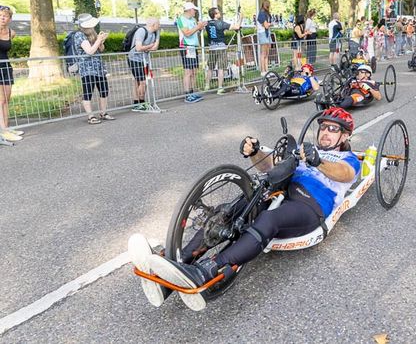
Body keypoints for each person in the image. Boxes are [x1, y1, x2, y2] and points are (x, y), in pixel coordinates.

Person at [128, 107, 360, 308]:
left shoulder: (348, 159)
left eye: (333, 129)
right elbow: (271, 167)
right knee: (229, 210)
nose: (326, 133)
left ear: (344, 136)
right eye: (324, 127)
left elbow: (345, 174)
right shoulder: (302, 148)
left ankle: (207, 271)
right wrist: (255, 152)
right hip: (281, 191)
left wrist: (318, 160)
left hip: (309, 205)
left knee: (269, 221)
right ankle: (176, 263)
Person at [72, 14, 114, 124]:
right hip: (87, 69)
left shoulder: (93, 33)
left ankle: (103, 113)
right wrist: (98, 39)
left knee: (104, 90)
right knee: (88, 92)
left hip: (99, 68)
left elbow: (100, 49)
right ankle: (90, 116)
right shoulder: (79, 35)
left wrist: (101, 40)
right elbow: (89, 51)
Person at [205, 7, 242, 95]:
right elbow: (236, 27)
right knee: (221, 68)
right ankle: (220, 88)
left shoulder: (207, 24)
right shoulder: (221, 23)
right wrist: (241, 18)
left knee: (210, 67)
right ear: (215, 14)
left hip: (212, 48)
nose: (220, 13)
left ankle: (207, 86)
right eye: (218, 12)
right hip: (221, 48)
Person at [0, 5, 23, 142]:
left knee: (7, 99)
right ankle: (2, 131)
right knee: (0, 100)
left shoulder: (11, 33)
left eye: (5, 16)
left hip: (6, 67)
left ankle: (6, 127)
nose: (2, 18)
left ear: (9, 19)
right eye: (0, 15)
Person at [176, 2, 207, 103]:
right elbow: (187, 33)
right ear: (189, 10)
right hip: (186, 47)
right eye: (194, 10)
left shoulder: (193, 19)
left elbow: (195, 32)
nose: (195, 12)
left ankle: (192, 91)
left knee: (194, 71)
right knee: (188, 72)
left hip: (193, 47)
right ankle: (187, 94)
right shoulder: (181, 19)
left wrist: (201, 28)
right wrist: (198, 27)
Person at [128, 18, 160, 112]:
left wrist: (157, 37)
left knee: (142, 82)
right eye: (158, 24)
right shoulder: (141, 31)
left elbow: (155, 48)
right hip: (135, 58)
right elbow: (138, 48)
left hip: (144, 60)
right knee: (141, 82)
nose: (159, 26)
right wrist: (149, 46)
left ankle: (140, 101)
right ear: (153, 24)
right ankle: (138, 103)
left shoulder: (155, 33)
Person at [252, 63, 319, 103]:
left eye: (305, 67)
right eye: (303, 67)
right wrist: (288, 72)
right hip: (289, 85)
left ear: (310, 71)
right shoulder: (298, 75)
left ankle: (272, 96)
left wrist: (310, 77)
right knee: (283, 84)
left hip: (298, 89)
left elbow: (316, 88)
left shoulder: (312, 78)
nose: (303, 68)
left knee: (286, 85)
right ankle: (260, 96)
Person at [256, 0, 272, 76]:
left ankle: (267, 71)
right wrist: (270, 24)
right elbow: (266, 25)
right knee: (263, 53)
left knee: (267, 54)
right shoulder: (262, 13)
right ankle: (262, 71)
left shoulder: (266, 13)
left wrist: (269, 24)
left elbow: (267, 25)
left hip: (267, 33)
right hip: (263, 33)